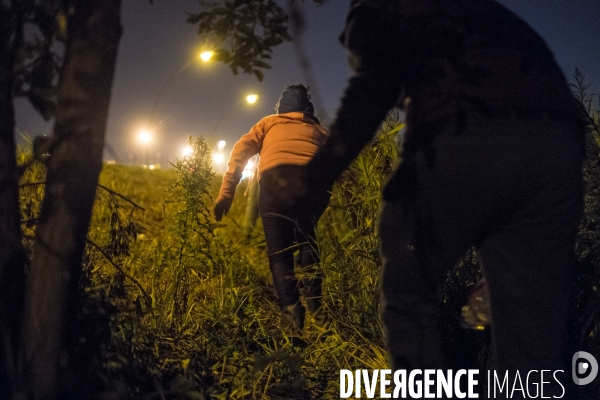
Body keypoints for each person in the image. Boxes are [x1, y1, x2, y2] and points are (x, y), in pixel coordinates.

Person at [269, 0, 585, 396]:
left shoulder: (382, 8)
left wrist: (314, 178)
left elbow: (373, 87)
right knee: (531, 326)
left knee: (408, 290)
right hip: (558, 146)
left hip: (462, 130)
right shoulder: (496, 16)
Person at [214, 84, 329, 335]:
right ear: (308, 110)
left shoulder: (268, 123)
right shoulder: (320, 130)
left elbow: (240, 151)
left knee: (279, 253)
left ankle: (291, 309)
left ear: (281, 108)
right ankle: (317, 309)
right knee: (308, 241)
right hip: (313, 185)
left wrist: (227, 192)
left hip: (275, 182)